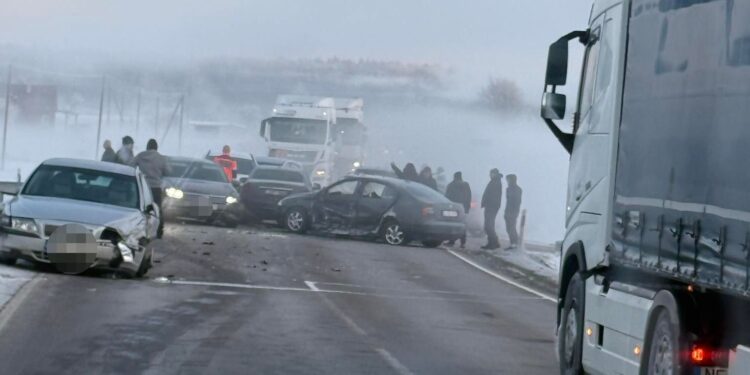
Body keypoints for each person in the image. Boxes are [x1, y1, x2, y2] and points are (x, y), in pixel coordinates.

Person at [132, 139, 170, 238]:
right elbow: (168, 171)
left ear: (147, 146)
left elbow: (131, 165)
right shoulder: (161, 158)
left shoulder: (140, 155)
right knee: (157, 209)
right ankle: (159, 231)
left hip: (142, 187)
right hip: (156, 187)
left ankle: (139, 228)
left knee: (141, 208)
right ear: (156, 148)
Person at [445, 171, 472, 248]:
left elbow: (447, 196)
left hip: (453, 207)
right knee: (462, 225)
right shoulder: (466, 185)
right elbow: (468, 197)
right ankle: (463, 242)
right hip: (462, 208)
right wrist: (467, 208)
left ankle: (451, 240)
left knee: (452, 225)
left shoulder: (451, 185)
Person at [480, 168, 503, 250]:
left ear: (495, 174)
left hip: (491, 206)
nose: (490, 175)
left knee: (489, 225)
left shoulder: (495, 182)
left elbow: (492, 195)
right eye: (490, 173)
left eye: (492, 173)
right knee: (488, 225)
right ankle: (493, 242)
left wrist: (487, 203)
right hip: (491, 206)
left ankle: (493, 243)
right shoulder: (494, 181)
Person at [504, 174, 523, 249]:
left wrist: (514, 211)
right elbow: (508, 201)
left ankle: (515, 244)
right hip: (508, 210)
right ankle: (513, 243)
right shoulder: (508, 189)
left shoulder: (517, 189)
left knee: (512, 228)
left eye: (508, 179)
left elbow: (517, 201)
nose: (507, 181)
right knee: (509, 228)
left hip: (513, 211)